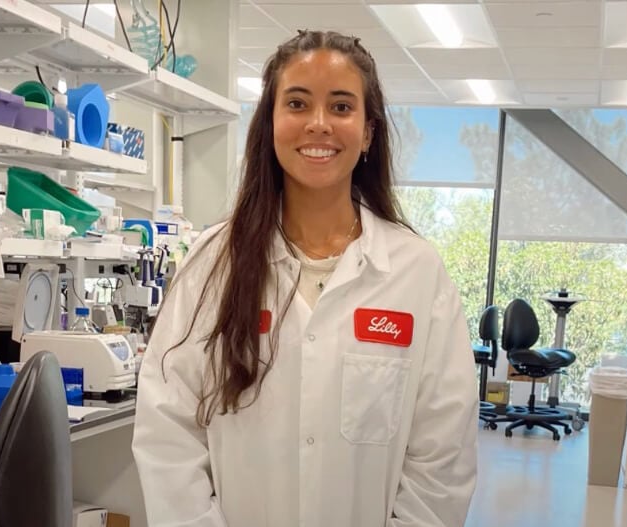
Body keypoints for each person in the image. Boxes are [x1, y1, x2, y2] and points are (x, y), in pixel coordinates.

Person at [133, 30, 478, 527]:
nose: (318, 124)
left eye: (341, 107)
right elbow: (168, 430)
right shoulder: (212, 264)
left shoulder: (416, 272)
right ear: (271, 123)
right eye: (297, 103)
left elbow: (443, 451)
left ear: (367, 133)